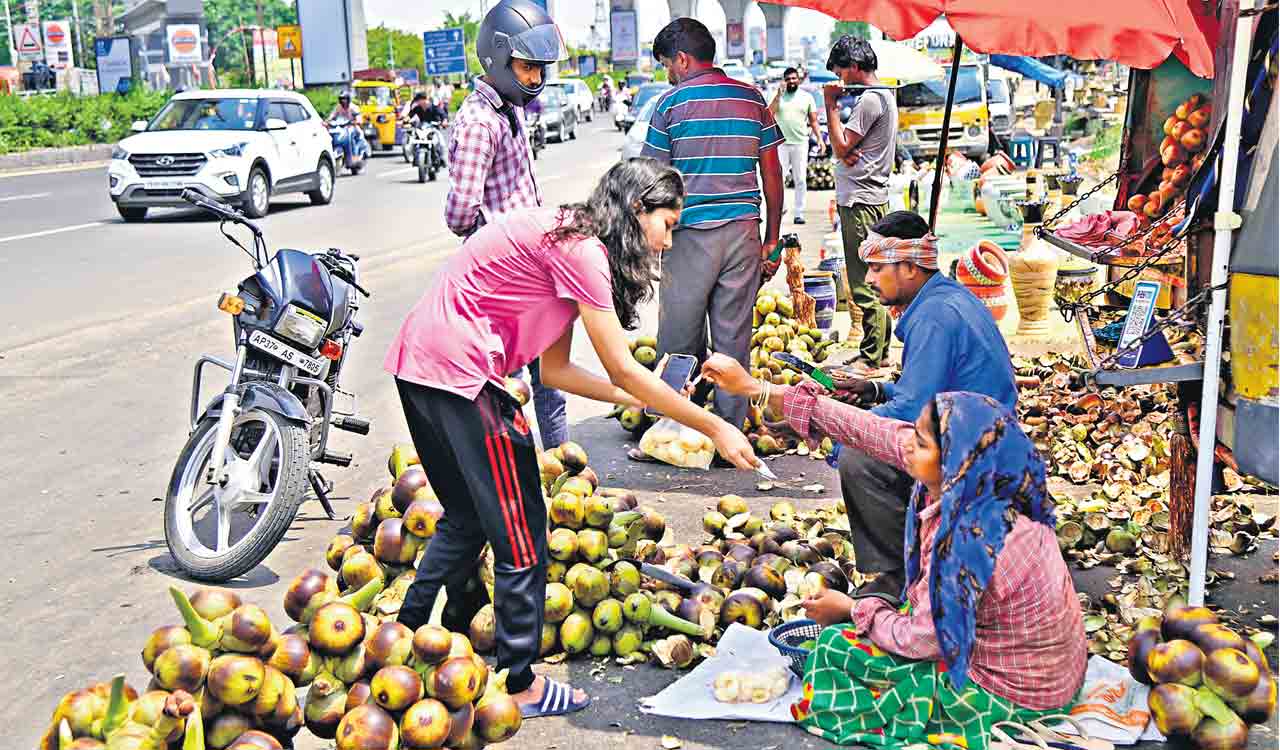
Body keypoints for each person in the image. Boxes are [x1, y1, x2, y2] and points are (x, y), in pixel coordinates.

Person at [387, 159, 760, 719]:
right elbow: (621, 365)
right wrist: (714, 425)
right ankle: (519, 682)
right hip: (464, 376)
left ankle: (406, 636)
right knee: (522, 530)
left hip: (420, 368)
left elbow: (556, 370)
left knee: (465, 516)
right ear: (638, 210)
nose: (667, 242)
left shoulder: (567, 237)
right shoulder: (583, 252)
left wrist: (639, 400)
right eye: (667, 224)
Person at [700, 355, 1086, 748]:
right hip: (1054, 671)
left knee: (834, 648)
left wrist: (853, 610)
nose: (907, 445)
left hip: (1013, 693)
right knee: (882, 615)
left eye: (919, 442)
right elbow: (873, 431)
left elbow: (924, 640)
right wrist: (755, 389)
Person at [831, 211, 1019, 603]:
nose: (868, 279)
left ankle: (899, 573)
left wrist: (839, 427)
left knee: (858, 457)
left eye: (877, 269)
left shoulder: (934, 316)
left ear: (910, 268)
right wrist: (876, 389)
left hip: (977, 450)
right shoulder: (944, 298)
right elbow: (928, 388)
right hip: (981, 431)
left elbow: (909, 413)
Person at [640, 17, 785, 445]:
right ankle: (730, 433)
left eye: (668, 63)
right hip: (743, 233)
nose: (668, 73)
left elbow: (653, 180)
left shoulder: (669, 105)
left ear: (682, 59)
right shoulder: (753, 99)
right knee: (733, 338)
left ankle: (671, 435)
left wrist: (649, 243)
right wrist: (771, 239)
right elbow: (772, 174)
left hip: (690, 235)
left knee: (678, 339)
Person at [444, 0, 569, 448]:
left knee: (550, 384)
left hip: (534, 268)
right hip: (504, 278)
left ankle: (562, 475)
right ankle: (517, 487)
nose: (535, 79)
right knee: (509, 391)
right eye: (527, 67)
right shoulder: (479, 123)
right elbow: (460, 213)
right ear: (497, 59)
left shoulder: (509, 108)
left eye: (540, 69)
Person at [825, 36, 899, 367]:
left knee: (864, 281)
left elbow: (841, 147)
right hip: (870, 196)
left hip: (860, 201)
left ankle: (872, 356)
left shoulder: (870, 100)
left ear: (854, 67)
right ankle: (878, 351)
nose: (839, 79)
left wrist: (829, 105)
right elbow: (848, 148)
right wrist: (847, 151)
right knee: (874, 274)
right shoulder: (882, 96)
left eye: (841, 71)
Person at [770, 67, 822, 225]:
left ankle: (799, 213)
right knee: (779, 178)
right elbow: (770, 113)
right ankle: (782, 207)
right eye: (788, 79)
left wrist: (819, 139)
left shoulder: (807, 97)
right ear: (784, 80)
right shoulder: (779, 96)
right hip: (781, 144)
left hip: (800, 143)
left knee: (800, 180)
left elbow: (813, 121)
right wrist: (778, 95)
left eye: (794, 78)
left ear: (798, 80)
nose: (791, 81)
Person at [327, 90, 368, 156]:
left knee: (351, 134)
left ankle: (355, 154)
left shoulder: (353, 107)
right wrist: (327, 122)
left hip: (352, 126)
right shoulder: (338, 107)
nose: (343, 100)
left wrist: (356, 122)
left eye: (344, 98)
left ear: (348, 99)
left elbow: (359, 118)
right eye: (341, 99)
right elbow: (332, 116)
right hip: (342, 127)